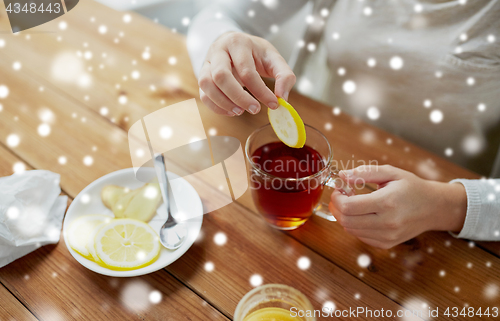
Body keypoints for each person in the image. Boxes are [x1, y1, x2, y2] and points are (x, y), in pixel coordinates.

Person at [186, 0, 500, 248]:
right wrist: (221, 45)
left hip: (443, 201)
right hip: (323, 135)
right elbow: (217, 14)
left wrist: (446, 206)